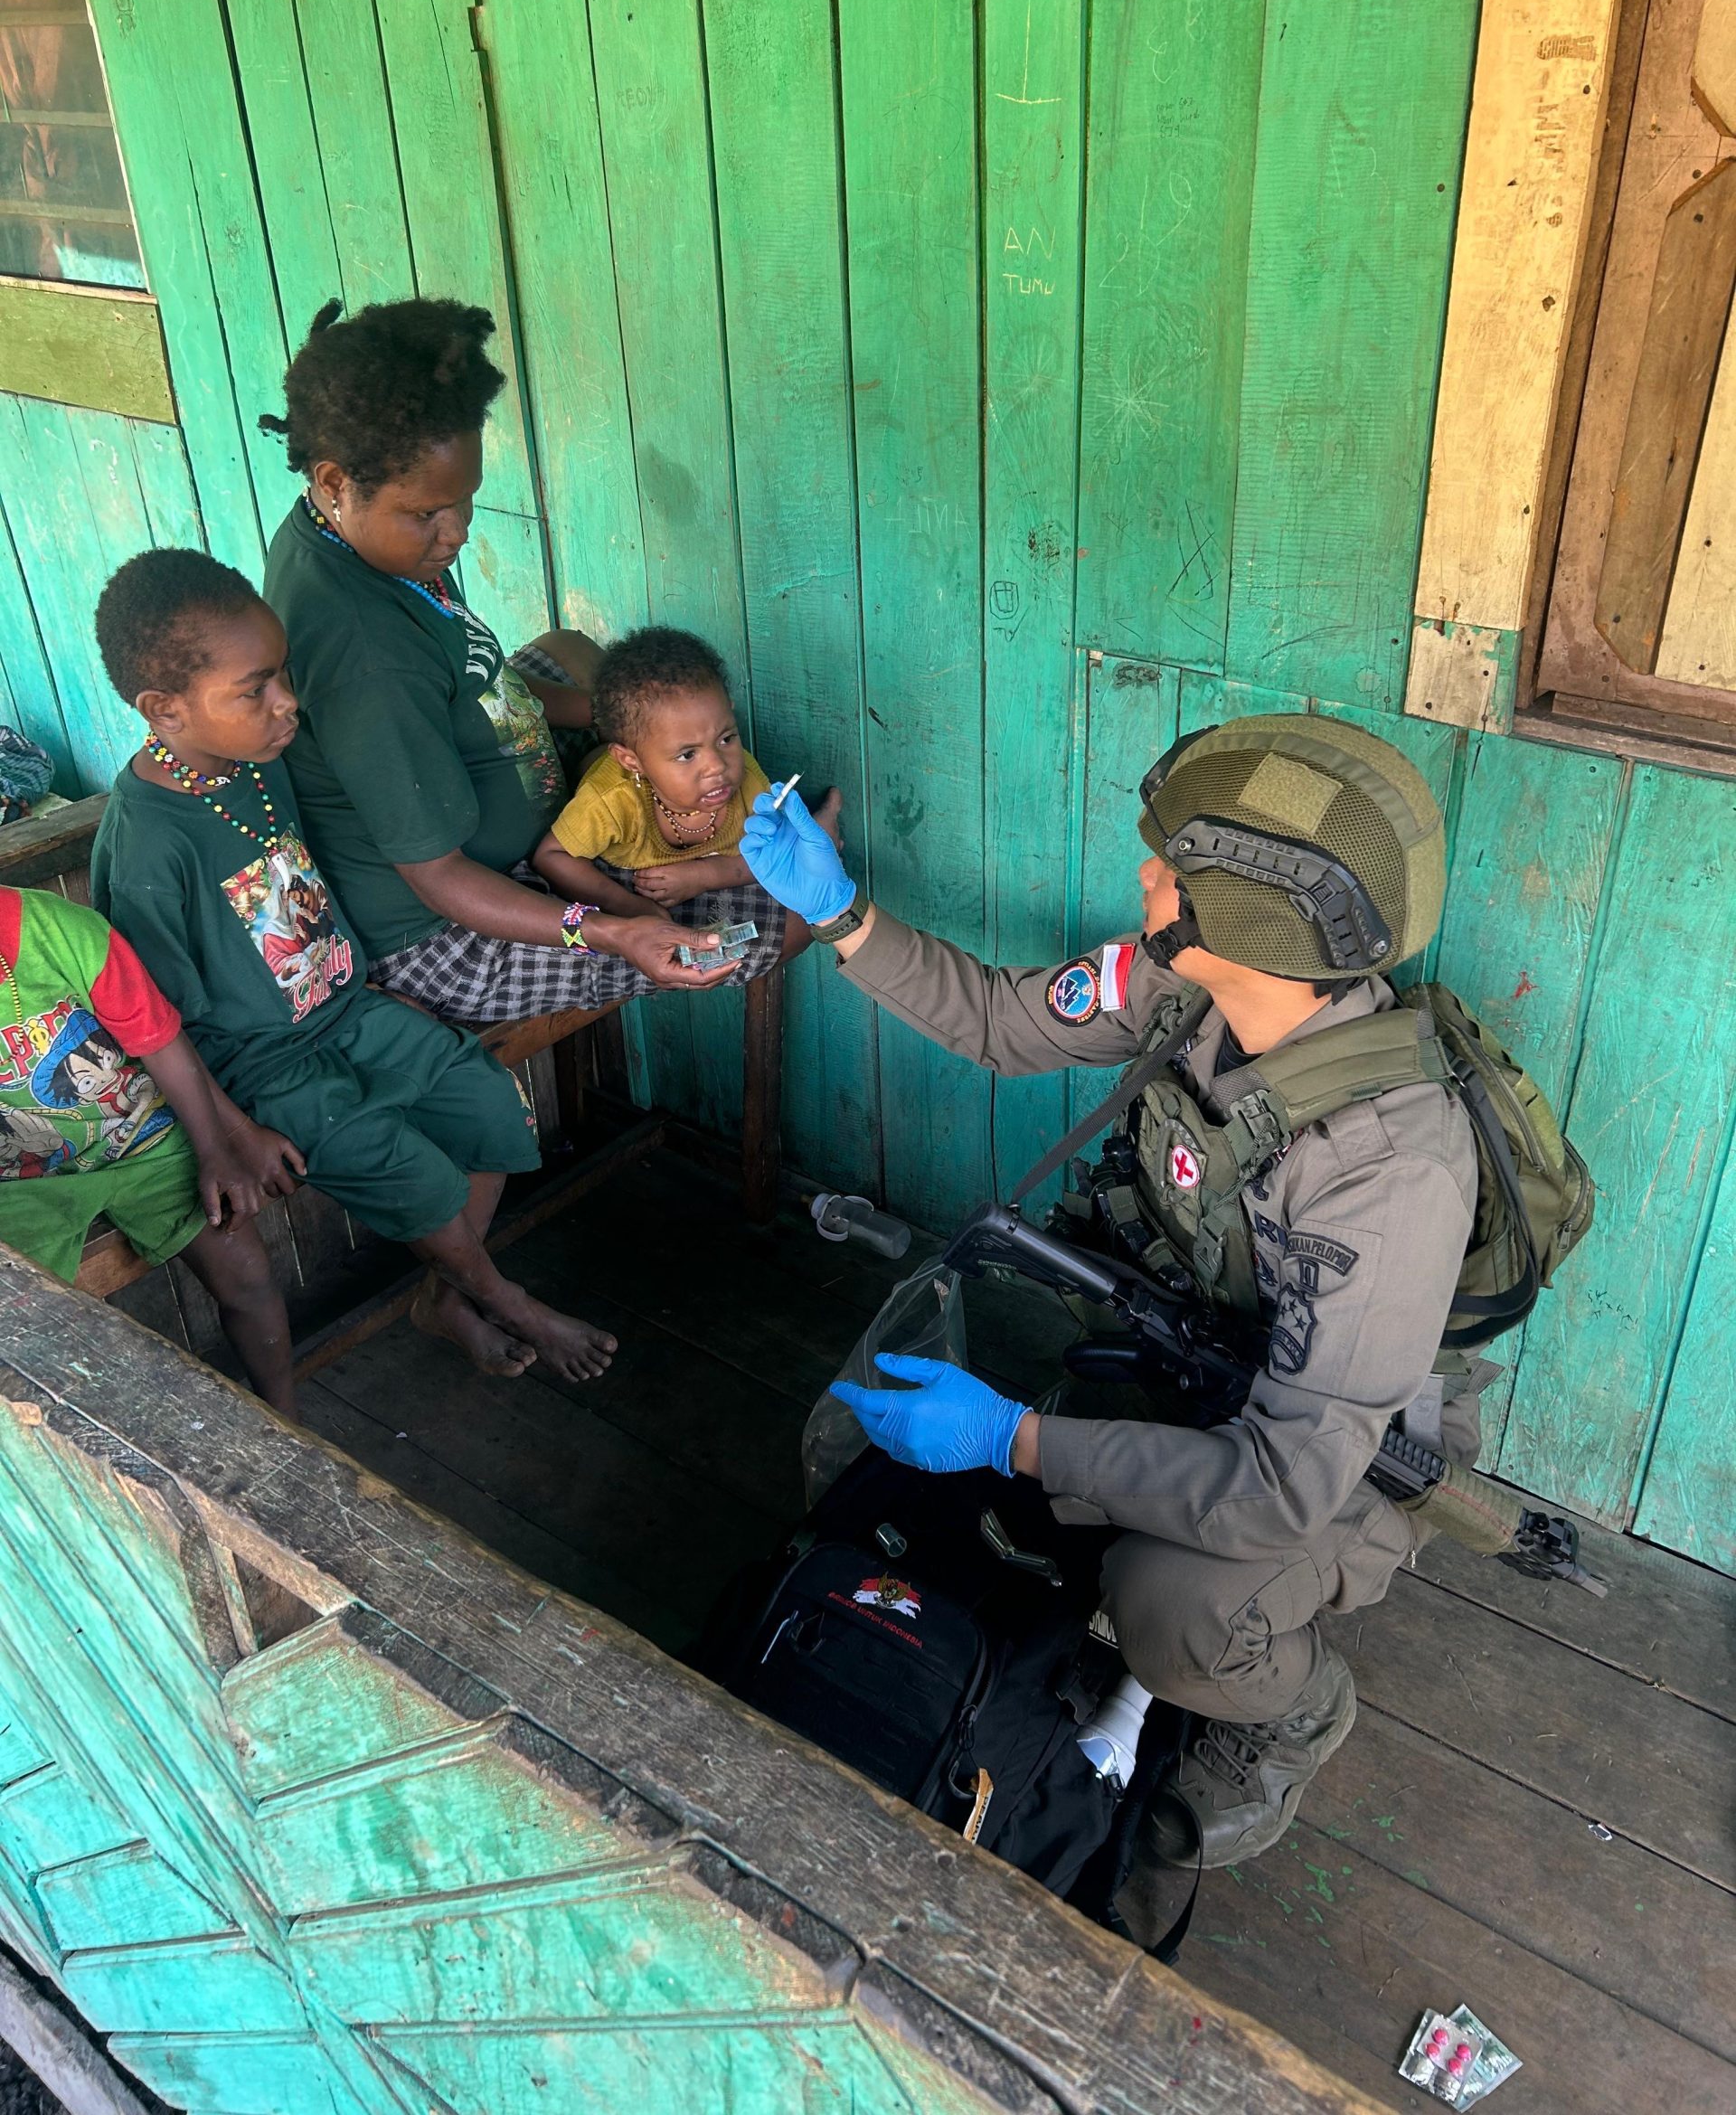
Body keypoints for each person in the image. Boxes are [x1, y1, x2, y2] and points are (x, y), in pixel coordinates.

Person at [739, 715, 1479, 1875]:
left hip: (1341, 1444)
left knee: (1169, 1604)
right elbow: (999, 1019)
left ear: (1256, 921)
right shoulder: (1184, 986)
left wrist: (1015, 1439)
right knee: (906, 1431)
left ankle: (1293, 1707)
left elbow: (1283, 1482)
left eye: (1174, 866)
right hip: (1171, 1330)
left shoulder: (1391, 1169)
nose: (1146, 876)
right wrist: (841, 915)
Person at [90, 548, 618, 1386]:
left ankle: (447, 1298)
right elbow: (156, 1022)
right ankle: (507, 1301)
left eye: (283, 674)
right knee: (415, 1176)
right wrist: (229, 1134)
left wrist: (365, 982)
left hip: (349, 1010)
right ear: (165, 709)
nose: (287, 700)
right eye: (255, 689)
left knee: (490, 1108)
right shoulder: (150, 845)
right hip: (260, 1068)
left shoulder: (261, 764)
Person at [258, 297, 758, 1021]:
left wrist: (620, 721)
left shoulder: (358, 539)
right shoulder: (363, 652)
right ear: (335, 482)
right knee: (765, 925)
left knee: (597, 669)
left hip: (485, 797)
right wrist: (608, 930)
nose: (457, 531)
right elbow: (438, 876)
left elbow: (469, 673)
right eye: (428, 513)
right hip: (443, 933)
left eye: (465, 500)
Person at [0, 882, 298, 1416]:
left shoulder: (61, 931)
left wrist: (216, 1148)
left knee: (248, 1275)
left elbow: (159, 1040)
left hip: (145, 1136)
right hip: (22, 1183)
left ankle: (287, 1425)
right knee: (20, 1329)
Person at [534, 625, 841, 948]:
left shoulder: (747, 781)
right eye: (687, 755)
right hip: (618, 860)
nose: (717, 766)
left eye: (726, 738)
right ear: (631, 762)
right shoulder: (610, 801)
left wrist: (705, 875)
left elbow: (776, 856)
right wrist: (628, 906)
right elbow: (551, 855)